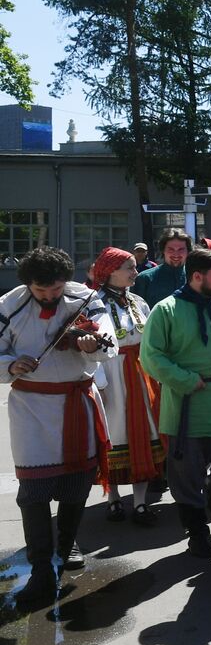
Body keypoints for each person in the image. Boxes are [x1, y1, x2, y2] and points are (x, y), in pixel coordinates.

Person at [1, 246, 118, 609]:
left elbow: (108, 344)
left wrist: (90, 345)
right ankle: (40, 567)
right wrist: (10, 364)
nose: (51, 296)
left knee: (76, 484)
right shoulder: (9, 305)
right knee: (33, 491)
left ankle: (65, 548)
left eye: (56, 289)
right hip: (31, 409)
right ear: (28, 285)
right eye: (42, 291)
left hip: (76, 401)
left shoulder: (84, 299)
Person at [141, 247, 211, 558]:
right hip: (186, 408)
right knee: (185, 479)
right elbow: (151, 357)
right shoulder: (166, 310)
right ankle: (197, 534)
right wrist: (186, 380)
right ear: (197, 276)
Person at [90, 247, 165, 527]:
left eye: (135, 267)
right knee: (115, 433)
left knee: (146, 432)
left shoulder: (139, 302)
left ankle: (142, 503)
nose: (136, 272)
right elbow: (92, 346)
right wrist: (100, 384)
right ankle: (113, 500)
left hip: (141, 373)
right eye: (130, 268)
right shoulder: (93, 303)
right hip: (112, 374)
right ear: (110, 271)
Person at [133, 227, 192, 307]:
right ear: (163, 250)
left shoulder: (196, 278)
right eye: (171, 249)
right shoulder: (144, 279)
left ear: (188, 251)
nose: (176, 254)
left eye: (181, 249)